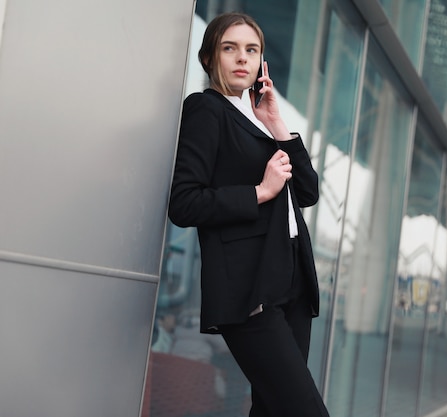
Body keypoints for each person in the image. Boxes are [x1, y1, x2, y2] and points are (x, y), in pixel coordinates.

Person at [168, 11, 329, 417]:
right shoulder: (205, 109)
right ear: (210, 58)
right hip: (252, 291)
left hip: (292, 287)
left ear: (261, 63)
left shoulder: (255, 120)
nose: (242, 58)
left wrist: (277, 123)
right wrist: (260, 192)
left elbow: (307, 191)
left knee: (273, 410)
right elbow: (184, 203)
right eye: (230, 48)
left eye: (251, 50)